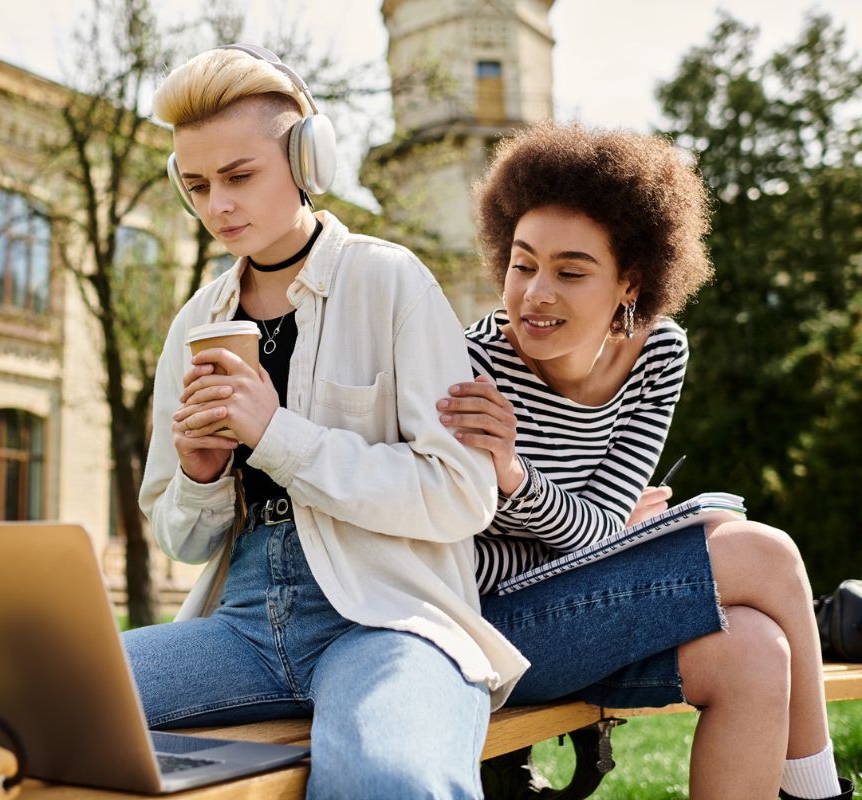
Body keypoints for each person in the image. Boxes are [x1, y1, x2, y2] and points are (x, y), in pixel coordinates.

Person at [127, 44, 528, 799]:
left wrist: (276, 435)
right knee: (30, 707)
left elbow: (461, 496)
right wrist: (200, 473)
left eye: (240, 177)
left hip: (390, 620)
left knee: (388, 777)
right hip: (239, 625)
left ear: (309, 161)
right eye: (198, 186)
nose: (219, 206)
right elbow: (180, 538)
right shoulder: (193, 325)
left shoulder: (391, 281)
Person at [437, 122, 852, 800]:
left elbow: (599, 529)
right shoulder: (467, 370)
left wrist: (552, 503)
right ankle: (820, 794)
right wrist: (520, 480)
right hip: (486, 628)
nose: (535, 294)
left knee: (755, 650)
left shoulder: (659, 354)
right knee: (767, 554)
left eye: (571, 271)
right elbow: (544, 537)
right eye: (522, 263)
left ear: (630, 283)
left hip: (585, 612)